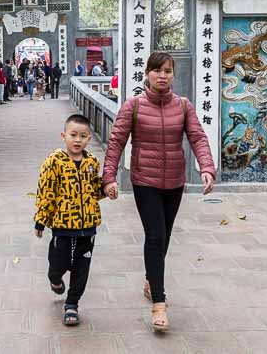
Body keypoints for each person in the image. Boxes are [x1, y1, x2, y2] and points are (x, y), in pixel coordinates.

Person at [102, 52, 216, 332]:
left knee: (163, 237)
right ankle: (159, 303)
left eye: (167, 71)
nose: (162, 75)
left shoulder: (184, 106)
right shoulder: (134, 106)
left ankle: (151, 278)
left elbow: (198, 137)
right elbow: (116, 141)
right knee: (154, 236)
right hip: (145, 181)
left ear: (172, 75)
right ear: (147, 74)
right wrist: (109, 177)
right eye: (157, 70)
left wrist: (207, 168)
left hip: (174, 181)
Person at [34, 113, 117, 327]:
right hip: (62, 226)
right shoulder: (54, 162)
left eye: (82, 136)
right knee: (58, 262)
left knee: (82, 269)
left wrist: (107, 189)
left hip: (88, 226)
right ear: (64, 136)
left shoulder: (92, 162)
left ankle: (72, 304)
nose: (77, 140)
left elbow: (93, 190)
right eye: (73, 135)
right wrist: (41, 220)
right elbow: (46, 192)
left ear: (89, 138)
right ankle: (54, 277)